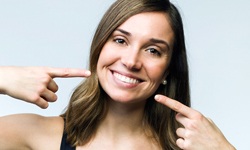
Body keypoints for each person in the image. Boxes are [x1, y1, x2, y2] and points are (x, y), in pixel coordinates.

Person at [0, 0, 236, 149]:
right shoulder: (36, 135)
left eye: (153, 50)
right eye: (121, 40)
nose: (131, 61)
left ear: (168, 69)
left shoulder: (190, 147)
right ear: (99, 46)